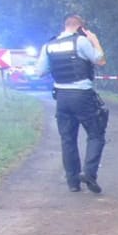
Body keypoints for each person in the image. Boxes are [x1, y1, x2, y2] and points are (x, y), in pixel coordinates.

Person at [37, 15, 109, 193]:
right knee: (95, 134)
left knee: (68, 139)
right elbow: (100, 60)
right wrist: (95, 41)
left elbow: (40, 71)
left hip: (61, 96)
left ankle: (73, 182)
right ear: (80, 28)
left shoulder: (49, 45)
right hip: (82, 95)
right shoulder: (81, 41)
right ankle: (89, 173)